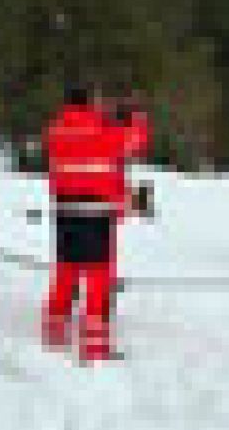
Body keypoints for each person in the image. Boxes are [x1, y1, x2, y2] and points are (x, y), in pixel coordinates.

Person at [42, 85, 150, 363]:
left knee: (66, 270)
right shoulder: (101, 129)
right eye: (99, 100)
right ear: (89, 103)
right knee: (98, 277)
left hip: (65, 210)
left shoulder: (55, 129)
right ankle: (95, 344)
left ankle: (55, 331)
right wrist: (134, 114)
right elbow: (135, 142)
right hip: (97, 212)